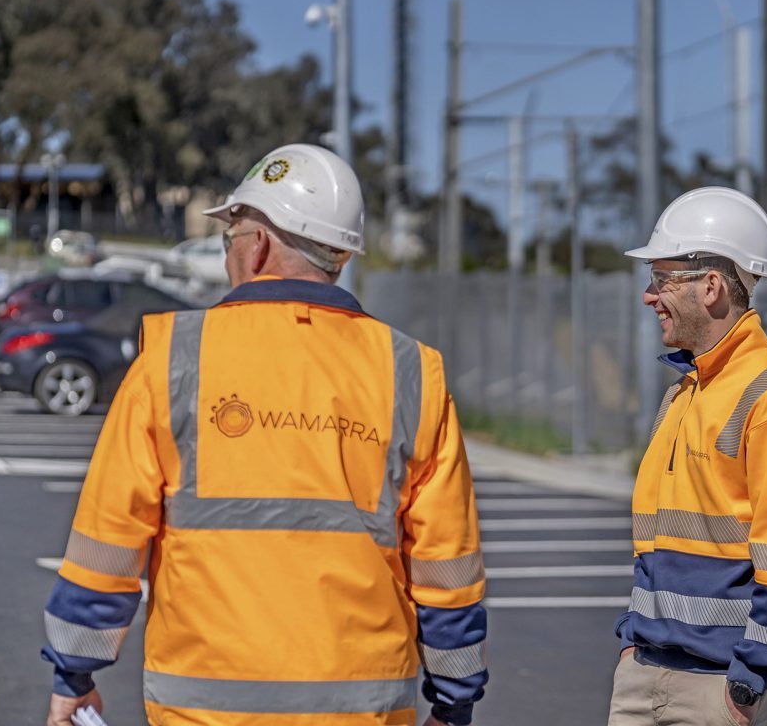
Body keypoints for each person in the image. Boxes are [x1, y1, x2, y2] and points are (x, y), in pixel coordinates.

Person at [41, 144, 488, 726]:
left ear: (257, 248)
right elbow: (446, 562)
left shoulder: (174, 358)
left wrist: (74, 675)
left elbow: (109, 536)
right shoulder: (410, 372)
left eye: (231, 238)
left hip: (202, 708)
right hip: (365, 709)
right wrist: (454, 701)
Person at [608, 187, 767, 726]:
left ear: (711, 286)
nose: (649, 295)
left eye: (662, 279)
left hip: (721, 686)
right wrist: (631, 641)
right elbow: (658, 542)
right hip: (647, 667)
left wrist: (751, 678)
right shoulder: (686, 391)